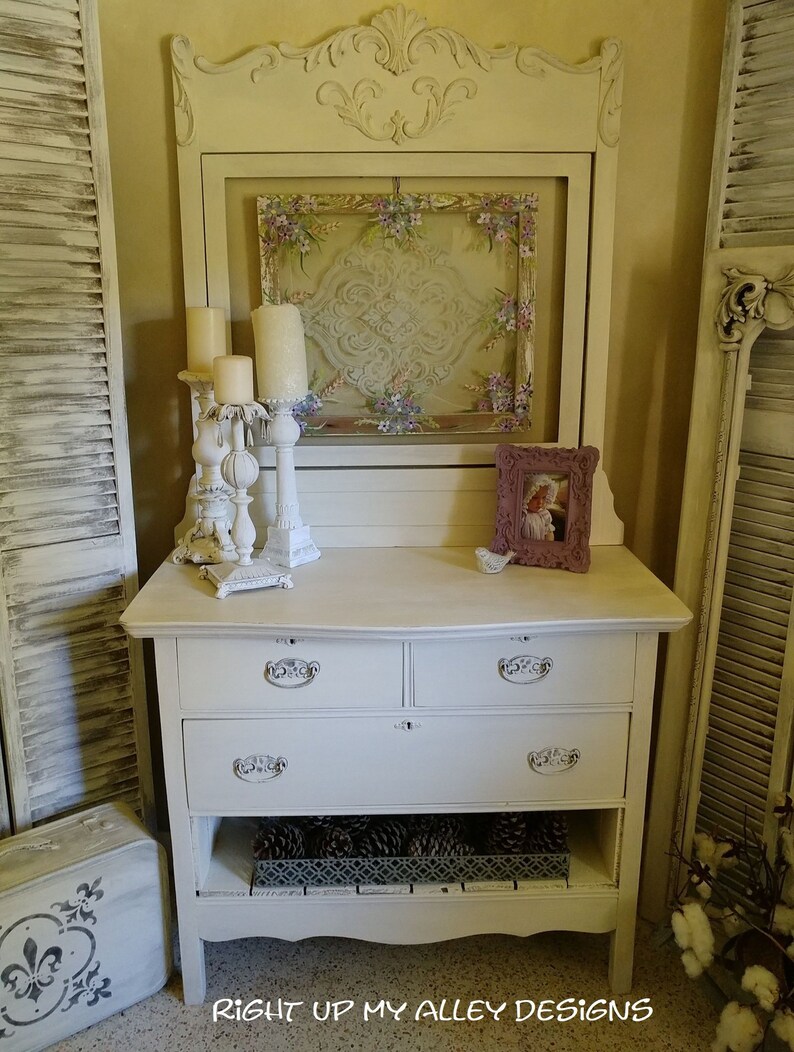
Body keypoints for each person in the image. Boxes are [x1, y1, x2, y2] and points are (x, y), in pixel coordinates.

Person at [521, 474, 558, 541]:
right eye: (535, 498)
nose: (540, 502)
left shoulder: (544, 514)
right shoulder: (522, 515)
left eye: (544, 497)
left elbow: (549, 532)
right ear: (526, 496)